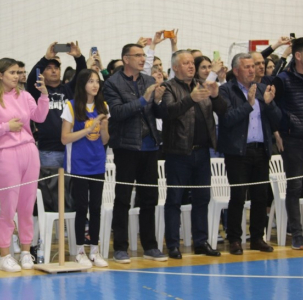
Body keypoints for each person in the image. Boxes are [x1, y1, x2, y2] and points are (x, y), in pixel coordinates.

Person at [0, 58, 49, 272]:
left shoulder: (25, 95)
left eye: (19, 72)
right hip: (6, 153)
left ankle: (26, 252)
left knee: (27, 206)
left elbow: (40, 117)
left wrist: (44, 95)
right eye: (12, 72)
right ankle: (5, 254)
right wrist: (5, 126)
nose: (17, 76)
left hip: (29, 151)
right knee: (8, 207)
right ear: (0, 74)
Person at [157, 50, 227, 259]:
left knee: (202, 199)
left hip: (203, 152)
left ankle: (201, 242)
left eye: (191, 63)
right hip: (178, 153)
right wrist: (191, 98)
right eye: (185, 63)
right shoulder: (169, 87)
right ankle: (173, 245)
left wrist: (215, 96)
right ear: (176, 67)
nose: (190, 66)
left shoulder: (203, 84)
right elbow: (168, 112)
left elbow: (222, 110)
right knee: (174, 200)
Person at [103, 43, 167, 263]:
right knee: (122, 198)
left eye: (143, 55)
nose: (142, 59)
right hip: (126, 147)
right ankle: (120, 247)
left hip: (150, 145)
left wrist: (157, 100)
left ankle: (150, 245)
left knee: (149, 197)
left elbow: (157, 112)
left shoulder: (149, 81)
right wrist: (143, 99)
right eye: (137, 55)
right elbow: (118, 112)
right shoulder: (112, 83)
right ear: (126, 59)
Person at [218, 53, 281, 255]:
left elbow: (277, 120)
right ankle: (235, 239)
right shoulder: (226, 90)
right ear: (236, 70)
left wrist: (269, 104)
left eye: (253, 66)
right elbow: (227, 119)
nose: (252, 70)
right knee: (238, 196)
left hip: (261, 150)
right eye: (247, 67)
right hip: (238, 152)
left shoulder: (263, 89)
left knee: (260, 197)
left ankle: (257, 238)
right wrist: (249, 104)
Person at [61, 69, 109, 267]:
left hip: (98, 162)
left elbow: (105, 140)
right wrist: (88, 129)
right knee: (82, 207)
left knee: (96, 208)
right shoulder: (70, 106)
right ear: (82, 84)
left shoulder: (103, 106)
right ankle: (79, 250)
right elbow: (64, 138)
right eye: (90, 81)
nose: (95, 85)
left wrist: (104, 127)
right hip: (79, 164)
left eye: (97, 81)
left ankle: (95, 250)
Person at [26, 42, 86, 168]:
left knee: (71, 187)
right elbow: (31, 78)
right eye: (49, 68)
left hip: (71, 147)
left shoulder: (69, 89)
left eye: (56, 68)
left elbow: (82, 75)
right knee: (50, 186)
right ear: (42, 73)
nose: (54, 71)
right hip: (48, 150)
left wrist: (79, 57)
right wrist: (46, 58)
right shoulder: (38, 91)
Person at [273, 38, 303, 250]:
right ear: (298, 55)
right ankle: (298, 234)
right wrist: (276, 131)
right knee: (295, 187)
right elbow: (270, 104)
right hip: (292, 139)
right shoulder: (283, 79)